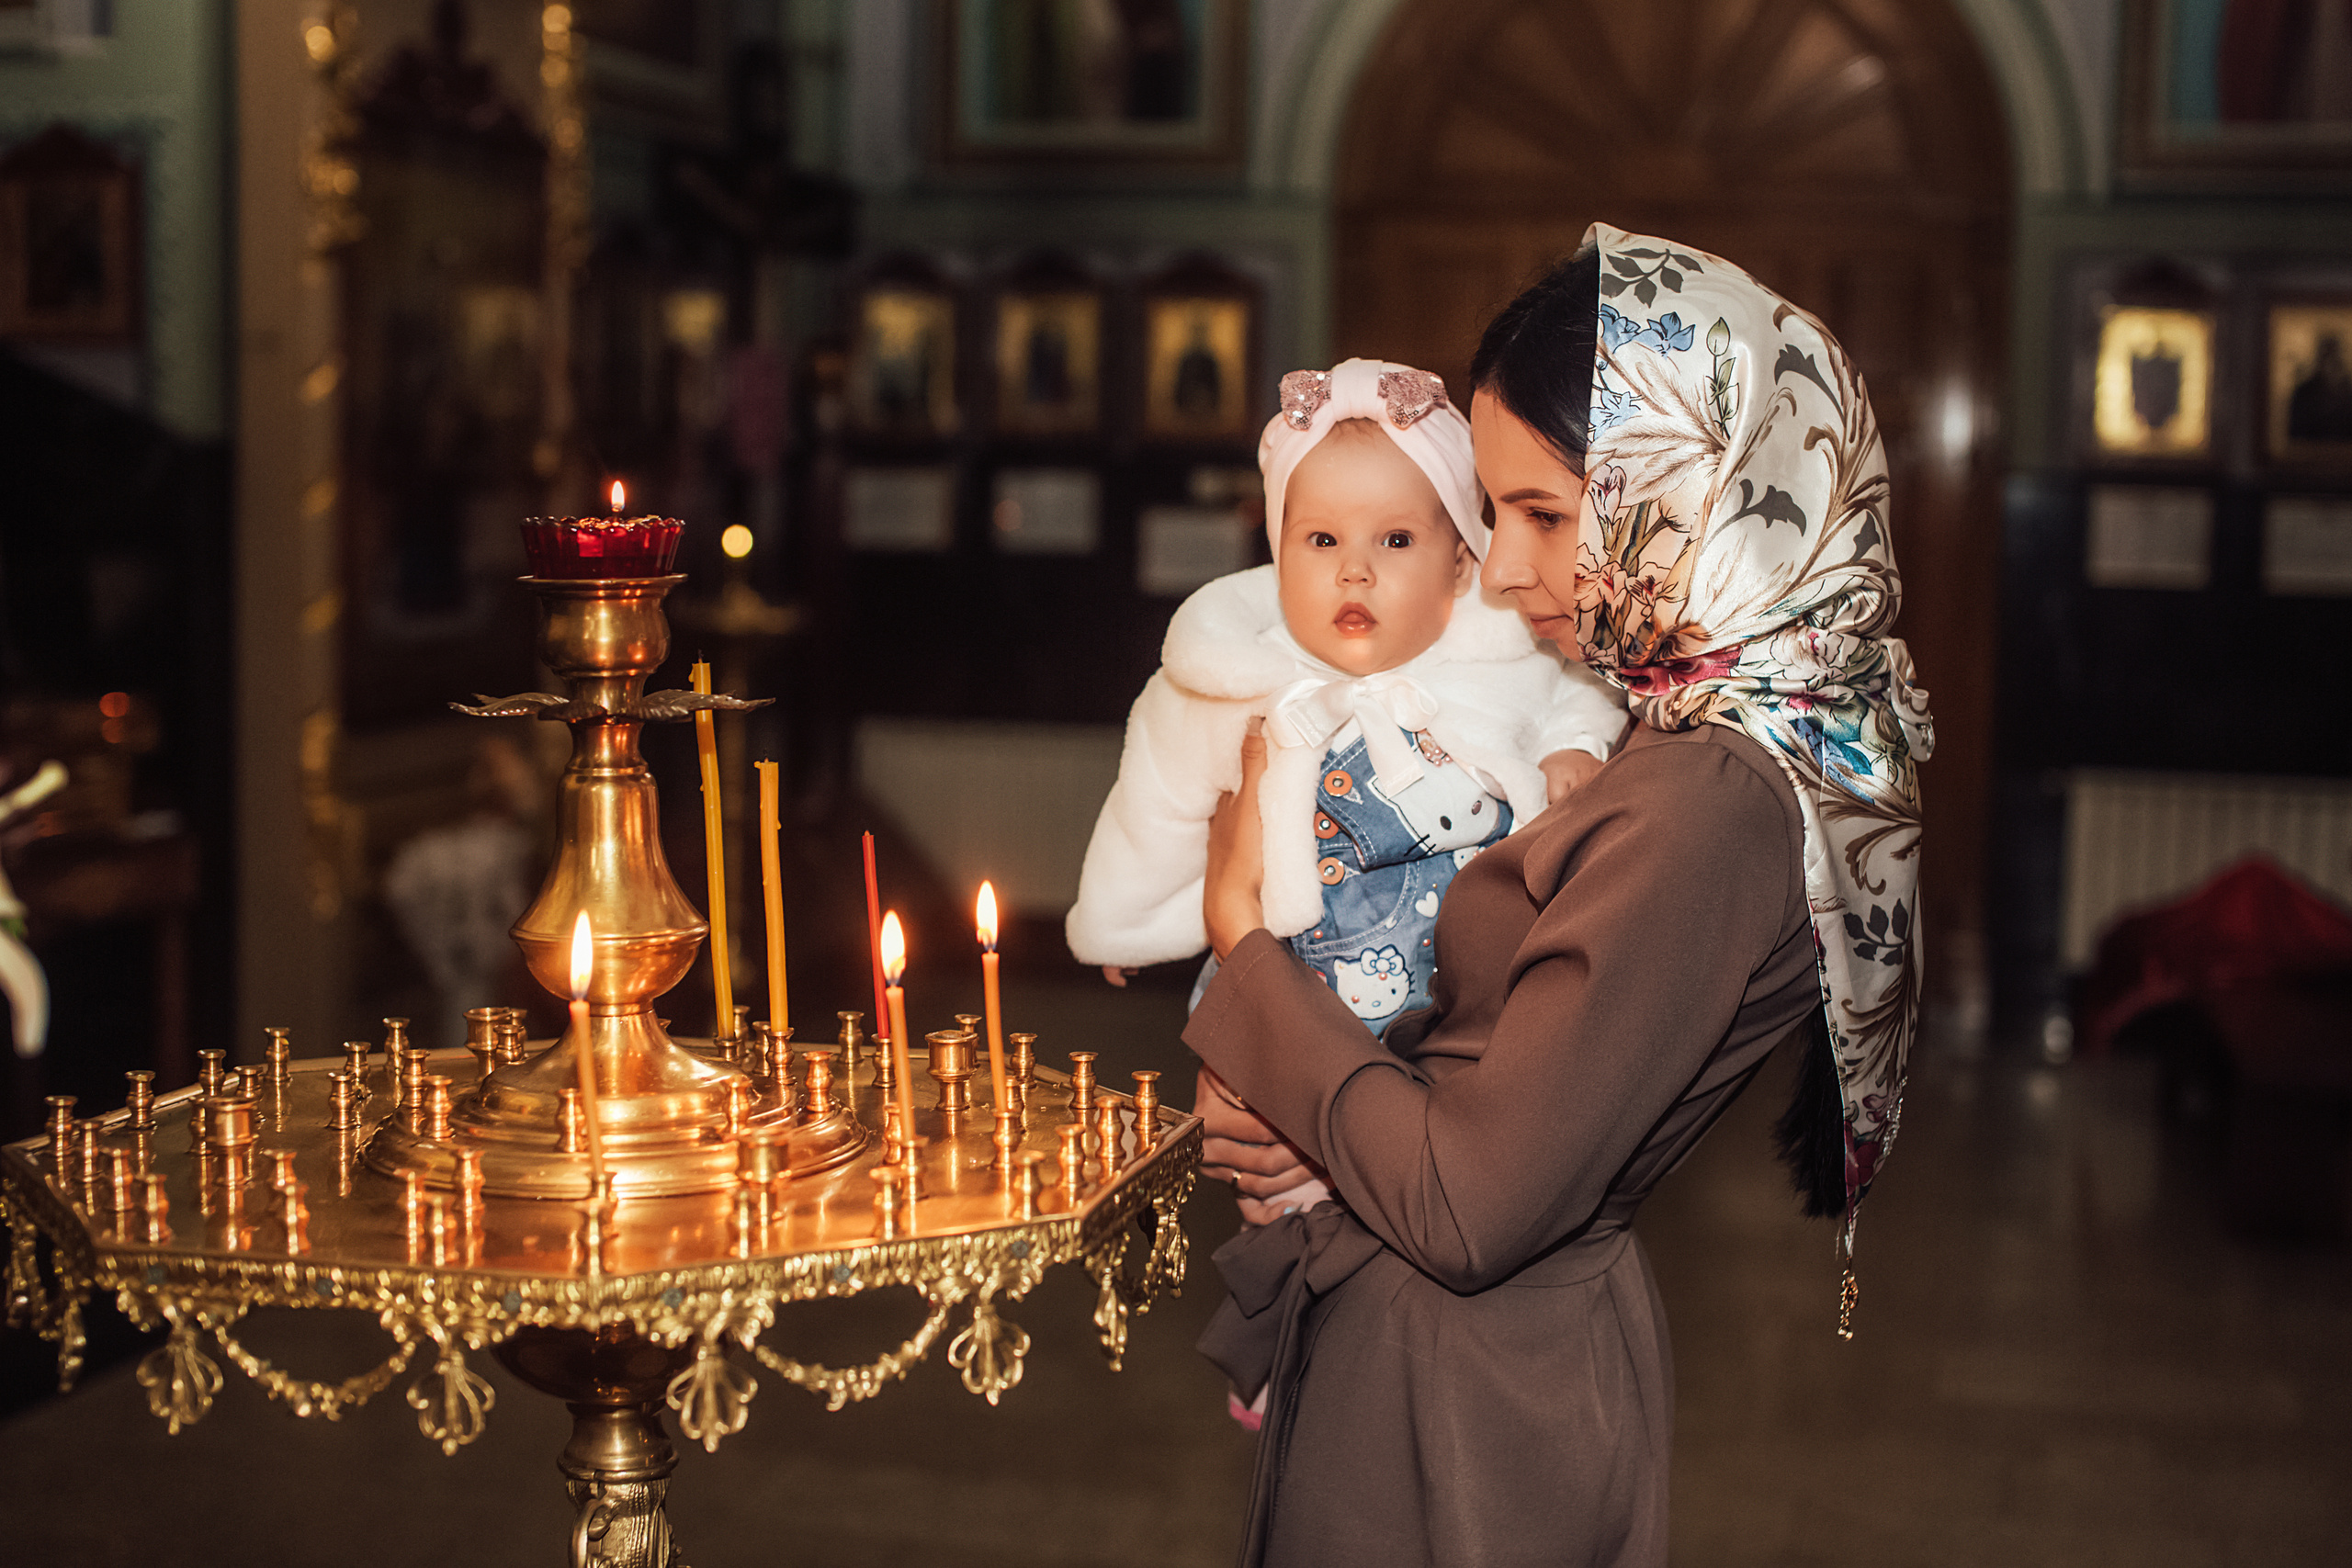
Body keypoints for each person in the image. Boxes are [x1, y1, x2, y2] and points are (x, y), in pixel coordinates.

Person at [1186, 226, 1934, 1566]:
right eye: (1493, 514)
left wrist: (1243, 940)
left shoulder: (1709, 798)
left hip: (1464, 1393)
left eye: (1543, 512)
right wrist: (1327, 1110)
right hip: (1461, 1349)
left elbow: (1469, 1203)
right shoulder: (1694, 730)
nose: (1501, 568)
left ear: (1692, 484)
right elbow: (1509, 1093)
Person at [1067, 356, 1624, 1054]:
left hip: (1466, 1022)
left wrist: (1574, 745)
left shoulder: (1504, 650)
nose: (1353, 570)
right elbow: (1157, 802)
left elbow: (1581, 686)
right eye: (1323, 540)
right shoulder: (1230, 681)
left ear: (1460, 564)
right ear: (1279, 555)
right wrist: (1125, 921)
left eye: (1396, 540)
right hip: (1284, 1018)